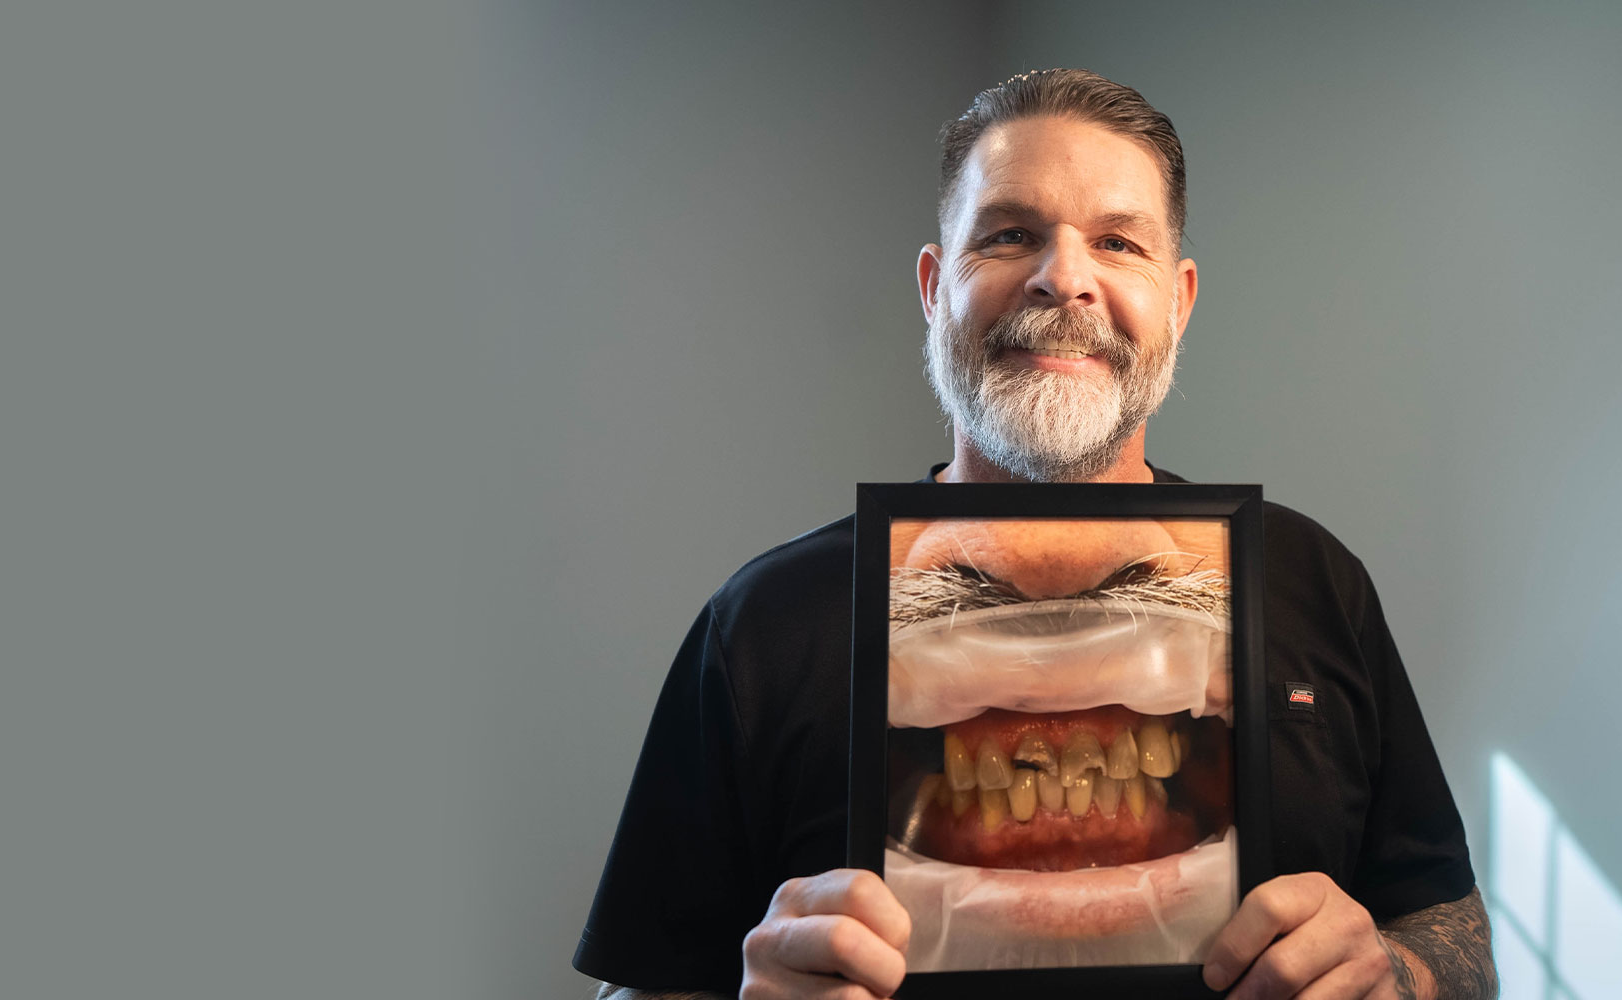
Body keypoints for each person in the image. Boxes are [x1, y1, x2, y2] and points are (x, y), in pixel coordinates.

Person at [574, 69, 1496, 1000]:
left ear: (1178, 301)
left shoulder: (1313, 581)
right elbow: (642, 983)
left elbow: (1453, 933)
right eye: (1011, 234)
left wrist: (1402, 977)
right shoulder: (763, 624)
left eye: (1117, 241)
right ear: (935, 289)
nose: (1064, 277)